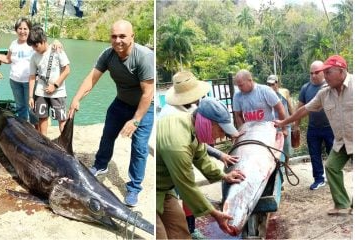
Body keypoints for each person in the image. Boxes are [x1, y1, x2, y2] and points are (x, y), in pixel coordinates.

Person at [68, 20, 154, 207]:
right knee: (107, 135)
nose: (118, 40)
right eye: (114, 36)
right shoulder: (108, 55)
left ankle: (134, 187)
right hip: (121, 103)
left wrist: (136, 120)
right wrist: (76, 98)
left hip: (143, 108)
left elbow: (148, 93)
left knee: (139, 148)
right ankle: (100, 164)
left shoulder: (144, 57)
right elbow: (91, 78)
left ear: (132, 36)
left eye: (122, 36)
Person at [159, 71, 240, 239]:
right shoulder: (178, 144)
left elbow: (201, 157)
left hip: (166, 190)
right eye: (220, 130)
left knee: (180, 232)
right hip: (157, 187)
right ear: (206, 123)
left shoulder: (190, 122)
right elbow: (186, 186)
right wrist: (214, 213)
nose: (221, 136)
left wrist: (224, 176)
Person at [274, 55, 352, 215]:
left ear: (342, 71)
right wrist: (284, 122)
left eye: (328, 72)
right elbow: (304, 110)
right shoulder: (325, 93)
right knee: (331, 167)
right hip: (342, 141)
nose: (325, 76)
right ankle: (342, 204)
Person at [294, 61, 334, 190]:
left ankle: (333, 178)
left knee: (333, 154)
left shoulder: (330, 86)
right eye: (311, 73)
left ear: (323, 72)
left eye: (316, 72)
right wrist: (296, 126)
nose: (313, 75)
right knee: (314, 154)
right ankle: (319, 179)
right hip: (313, 128)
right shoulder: (306, 88)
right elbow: (300, 108)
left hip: (330, 128)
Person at [27, 25, 70, 136]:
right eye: (32, 46)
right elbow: (32, 77)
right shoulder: (34, 57)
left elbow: (67, 70)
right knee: (42, 118)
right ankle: (44, 142)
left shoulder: (57, 50)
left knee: (62, 119)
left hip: (58, 92)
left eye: (36, 45)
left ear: (43, 40)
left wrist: (55, 85)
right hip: (41, 92)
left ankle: (66, 144)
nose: (34, 48)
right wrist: (31, 96)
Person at [232, 69, 287, 136]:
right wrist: (242, 130)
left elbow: (280, 108)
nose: (239, 88)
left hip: (267, 129)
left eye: (241, 85)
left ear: (250, 80)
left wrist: (284, 129)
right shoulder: (237, 95)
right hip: (250, 132)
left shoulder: (265, 90)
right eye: (238, 86)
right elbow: (238, 115)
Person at [266, 74, 294, 156]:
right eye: (269, 84)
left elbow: (289, 106)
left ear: (277, 83)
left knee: (287, 148)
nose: (271, 86)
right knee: (276, 149)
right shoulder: (266, 94)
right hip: (273, 125)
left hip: (285, 123)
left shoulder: (284, 92)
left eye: (272, 84)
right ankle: (279, 167)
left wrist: (295, 121)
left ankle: (286, 167)